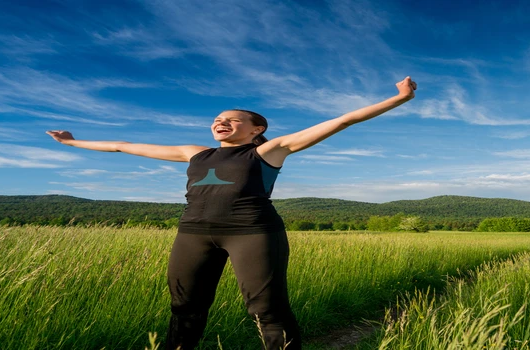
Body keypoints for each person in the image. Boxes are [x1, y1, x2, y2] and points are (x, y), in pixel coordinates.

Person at [47, 77, 417, 350]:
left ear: (257, 129)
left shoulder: (268, 151)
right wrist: (72, 142)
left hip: (252, 233)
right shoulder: (195, 153)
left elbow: (342, 120)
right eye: (217, 118)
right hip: (193, 234)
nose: (221, 121)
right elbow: (122, 145)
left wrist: (399, 98)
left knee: (266, 309)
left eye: (232, 119)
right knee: (184, 306)